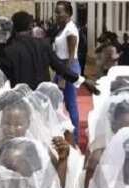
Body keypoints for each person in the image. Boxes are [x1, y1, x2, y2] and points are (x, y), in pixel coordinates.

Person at [0, 11, 97, 94]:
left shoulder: (8, 50)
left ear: (14, 27)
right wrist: (83, 81)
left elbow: (1, 79)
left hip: (21, 101)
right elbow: (60, 67)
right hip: (43, 98)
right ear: (31, 26)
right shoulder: (43, 45)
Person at [53, 1, 82, 143]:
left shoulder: (70, 30)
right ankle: (59, 133)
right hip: (61, 68)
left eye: (59, 12)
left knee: (70, 104)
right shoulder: (62, 28)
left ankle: (75, 139)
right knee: (53, 101)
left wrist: (64, 76)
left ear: (69, 13)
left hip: (68, 68)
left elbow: (71, 56)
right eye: (56, 12)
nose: (56, 15)